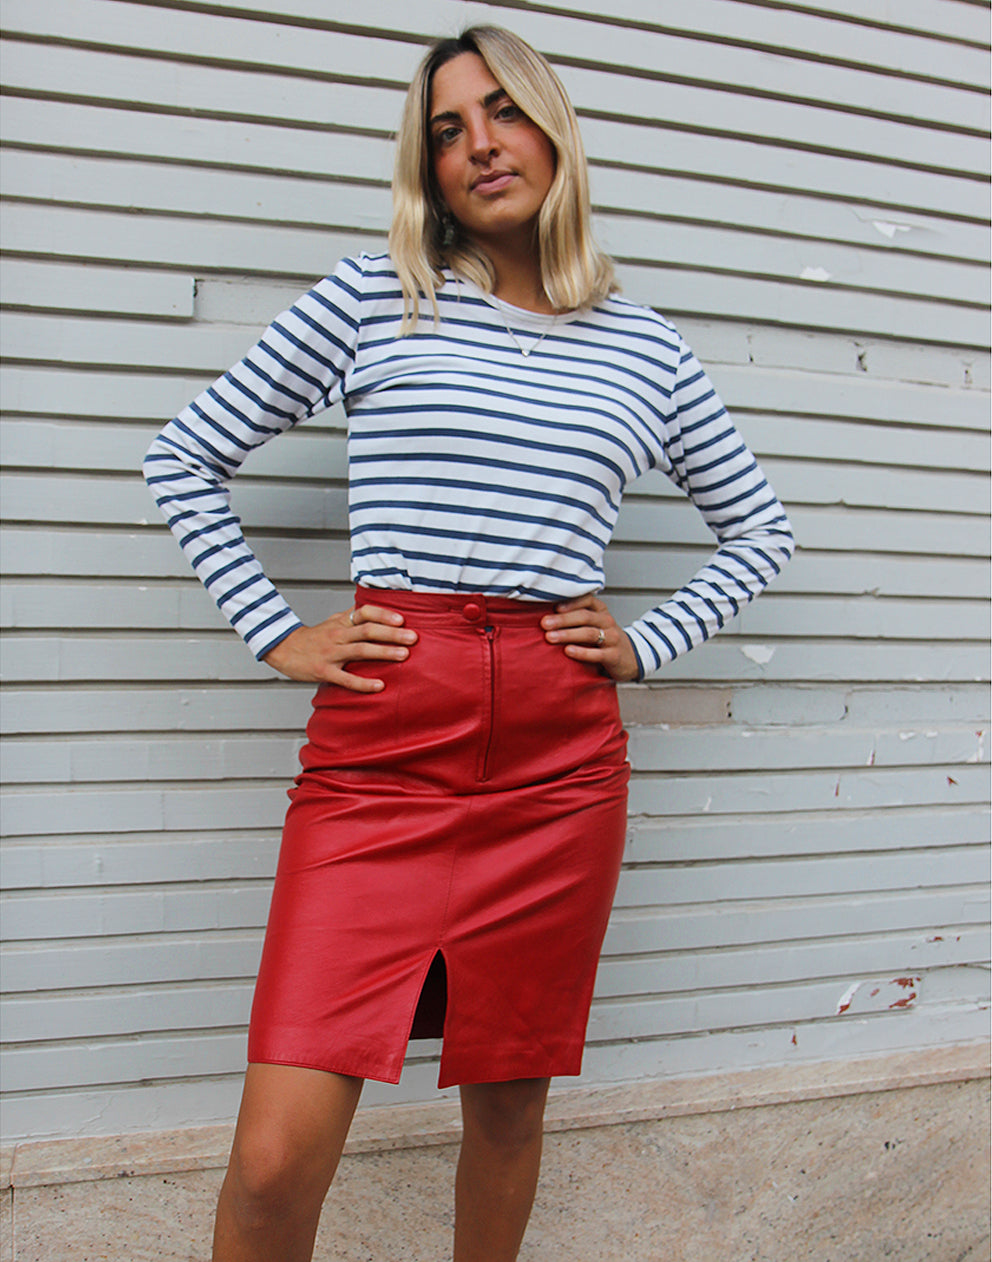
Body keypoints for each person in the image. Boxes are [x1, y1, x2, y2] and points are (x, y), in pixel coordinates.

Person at [143, 24, 794, 1262]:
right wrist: (276, 631)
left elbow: (758, 527)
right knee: (275, 1156)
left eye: (501, 112)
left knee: (507, 1105)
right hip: (382, 751)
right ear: (423, 162)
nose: (477, 145)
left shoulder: (644, 346)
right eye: (445, 128)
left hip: (558, 768)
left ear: (553, 130)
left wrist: (648, 639)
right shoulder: (374, 296)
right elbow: (184, 454)